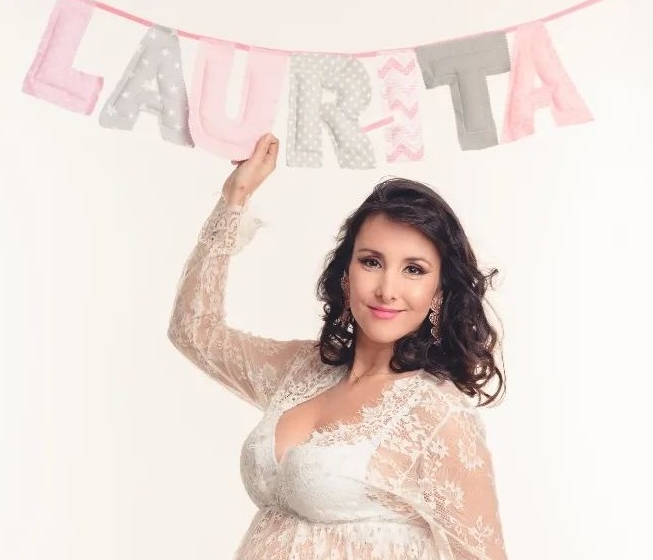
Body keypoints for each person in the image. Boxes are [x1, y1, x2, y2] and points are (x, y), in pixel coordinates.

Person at [167, 132, 508, 560]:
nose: (387, 289)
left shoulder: (438, 417)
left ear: (439, 292)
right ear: (346, 275)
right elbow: (193, 330)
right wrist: (234, 199)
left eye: (414, 270)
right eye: (372, 262)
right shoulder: (301, 370)